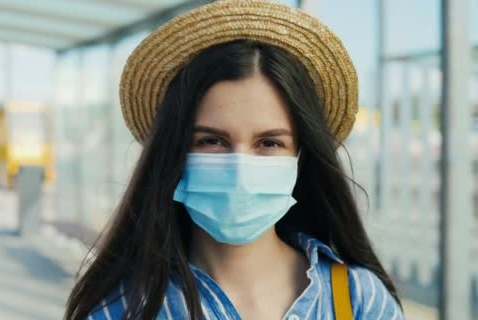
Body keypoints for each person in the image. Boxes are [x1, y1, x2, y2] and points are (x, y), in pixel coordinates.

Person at [65, 0, 405, 319]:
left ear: (302, 157)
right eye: (211, 140)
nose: (239, 169)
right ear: (174, 153)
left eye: (269, 143)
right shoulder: (122, 308)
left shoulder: (360, 300)